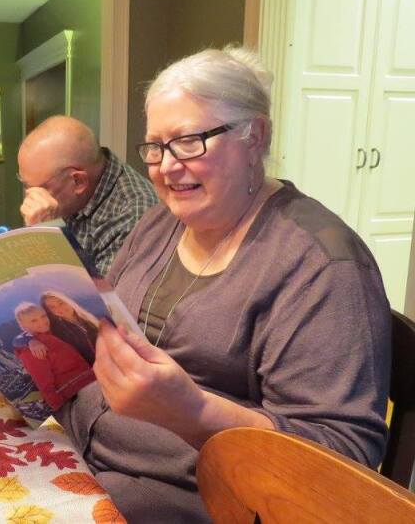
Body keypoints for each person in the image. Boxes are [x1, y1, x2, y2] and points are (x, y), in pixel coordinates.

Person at [55, 47, 391, 522]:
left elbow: (341, 462)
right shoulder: (160, 222)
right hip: (79, 445)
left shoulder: (323, 266)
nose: (166, 166)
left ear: (256, 136)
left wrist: (191, 411)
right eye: (155, 147)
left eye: (189, 141)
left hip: (183, 496)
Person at [18, 116, 157, 275]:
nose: (29, 197)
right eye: (25, 184)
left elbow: (96, 293)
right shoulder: (68, 192)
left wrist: (47, 236)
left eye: (37, 189)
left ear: (78, 182)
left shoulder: (134, 215)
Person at [12, 303, 95, 410]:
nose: (42, 321)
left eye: (43, 316)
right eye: (33, 321)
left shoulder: (51, 334)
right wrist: (63, 409)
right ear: (23, 326)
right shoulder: (33, 351)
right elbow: (46, 387)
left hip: (92, 385)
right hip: (79, 398)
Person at [15, 291, 99, 366]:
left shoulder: (86, 318)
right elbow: (18, 339)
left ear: (66, 300)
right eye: (52, 307)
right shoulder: (55, 327)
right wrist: (31, 341)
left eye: (60, 303)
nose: (59, 308)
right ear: (49, 311)